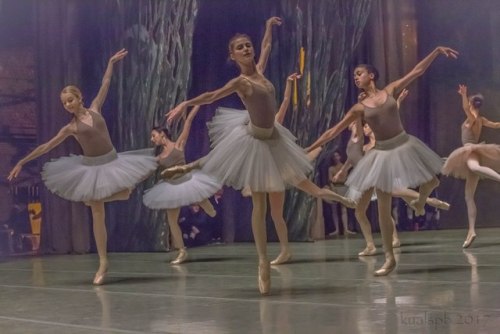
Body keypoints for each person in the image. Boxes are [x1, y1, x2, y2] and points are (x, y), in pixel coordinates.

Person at [166, 17, 355, 294]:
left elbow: (266, 46)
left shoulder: (262, 72)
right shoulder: (241, 82)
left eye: (247, 45)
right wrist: (186, 102)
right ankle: (263, 262)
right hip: (255, 141)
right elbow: (211, 95)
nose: (246, 49)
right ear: (232, 56)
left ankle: (335, 200)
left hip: (275, 141)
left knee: (304, 186)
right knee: (260, 206)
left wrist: (267, 27)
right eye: (239, 48)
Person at [7, 49, 158, 285]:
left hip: (112, 162)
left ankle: (108, 198)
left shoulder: (96, 108)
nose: (68, 105)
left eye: (71, 100)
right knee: (97, 213)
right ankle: (103, 262)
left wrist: (110, 63)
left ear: (80, 98)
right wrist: (22, 161)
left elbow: (106, 83)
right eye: (64, 103)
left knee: (124, 192)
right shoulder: (70, 128)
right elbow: (46, 146)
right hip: (91, 168)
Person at [307, 46, 458, 276]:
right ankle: (389, 258)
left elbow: (416, 71)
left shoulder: (391, 90)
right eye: (354, 75)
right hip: (381, 154)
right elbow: (332, 131)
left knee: (432, 181)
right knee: (383, 207)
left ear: (372, 75)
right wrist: (310, 147)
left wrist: (436, 52)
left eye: (359, 73)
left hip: (404, 144)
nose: (356, 77)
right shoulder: (359, 108)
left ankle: (420, 202)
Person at [334, 91, 450, 256]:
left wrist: (396, 102)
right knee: (370, 209)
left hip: (372, 175)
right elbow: (351, 159)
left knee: (391, 198)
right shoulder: (355, 141)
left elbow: (385, 120)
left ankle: (428, 201)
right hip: (364, 177)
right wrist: (342, 171)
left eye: (362, 123)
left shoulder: (361, 136)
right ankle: (373, 244)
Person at [142, 106, 220, 264]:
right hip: (171, 187)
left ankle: (206, 203)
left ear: (162, 134)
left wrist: (197, 103)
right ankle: (182, 251)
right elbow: (147, 171)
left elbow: (188, 122)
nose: (152, 139)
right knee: (172, 221)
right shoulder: (159, 157)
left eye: (153, 136)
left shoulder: (178, 145)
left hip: (188, 182)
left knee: (210, 211)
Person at [442, 85, 500, 248]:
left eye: (468, 102)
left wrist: (463, 95)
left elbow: (465, 108)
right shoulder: (480, 119)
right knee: (468, 196)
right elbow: (496, 125)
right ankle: (471, 230)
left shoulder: (473, 117)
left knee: (474, 167)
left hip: (471, 150)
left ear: (471, 103)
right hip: (469, 151)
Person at [327, 151, 355, 236]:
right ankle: (337, 230)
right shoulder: (331, 168)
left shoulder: (344, 166)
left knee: (344, 209)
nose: (336, 158)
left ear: (340, 156)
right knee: (334, 209)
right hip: (335, 188)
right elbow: (330, 179)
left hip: (344, 188)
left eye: (337, 155)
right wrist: (333, 188)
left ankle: (346, 229)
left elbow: (345, 178)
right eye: (334, 156)